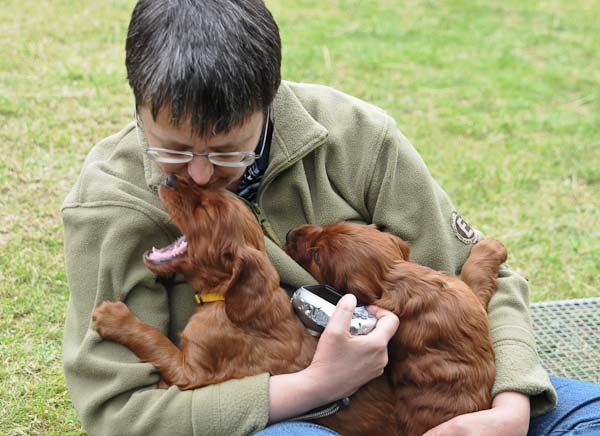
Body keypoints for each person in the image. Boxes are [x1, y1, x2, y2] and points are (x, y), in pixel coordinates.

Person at [61, 1, 600, 435]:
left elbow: (479, 279)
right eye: (174, 150)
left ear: (268, 100)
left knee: (588, 414)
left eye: (227, 152)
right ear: (138, 107)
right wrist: (315, 386)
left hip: (428, 402)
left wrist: (507, 408)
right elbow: (119, 413)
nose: (198, 176)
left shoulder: (357, 137)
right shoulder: (112, 203)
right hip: (280, 418)